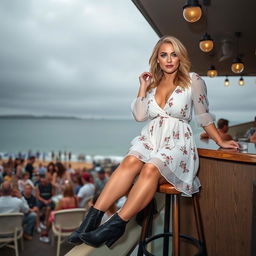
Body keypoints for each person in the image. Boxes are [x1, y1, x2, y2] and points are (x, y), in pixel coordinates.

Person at [68, 35, 239, 248]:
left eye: (174, 54)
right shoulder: (152, 84)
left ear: (180, 58)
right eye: (164, 55)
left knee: (150, 169)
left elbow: (203, 116)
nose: (169, 59)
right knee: (130, 162)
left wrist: (221, 141)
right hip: (151, 137)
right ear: (157, 59)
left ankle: (116, 225)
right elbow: (140, 116)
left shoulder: (193, 80)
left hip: (177, 142)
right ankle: (89, 222)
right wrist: (142, 86)